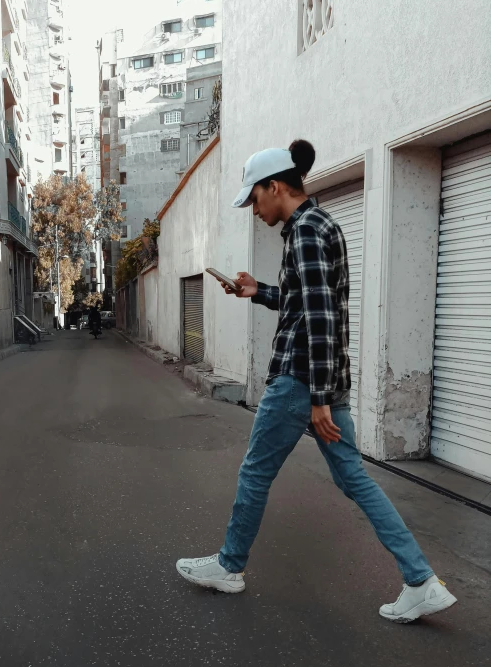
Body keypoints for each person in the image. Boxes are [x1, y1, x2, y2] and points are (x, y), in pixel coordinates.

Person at [176, 139, 458, 624]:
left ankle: (229, 565)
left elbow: (322, 317)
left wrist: (319, 399)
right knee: (354, 479)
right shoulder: (319, 224)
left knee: (255, 472)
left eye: (255, 198)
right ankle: (422, 580)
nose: (253, 209)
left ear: (276, 186)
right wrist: (256, 291)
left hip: (300, 381)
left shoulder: (304, 230)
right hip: (323, 379)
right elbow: (303, 300)